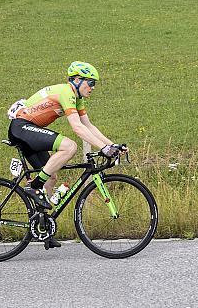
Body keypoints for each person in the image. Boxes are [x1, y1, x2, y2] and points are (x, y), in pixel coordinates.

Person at [7, 61, 125, 245]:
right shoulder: (66, 92)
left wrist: (112, 145)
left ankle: (42, 227)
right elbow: (77, 128)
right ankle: (34, 186)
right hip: (22, 128)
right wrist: (103, 149)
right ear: (77, 80)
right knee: (69, 147)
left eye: (94, 84)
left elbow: (88, 125)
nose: (93, 88)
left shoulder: (77, 98)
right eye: (90, 83)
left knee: (51, 176)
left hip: (28, 130)